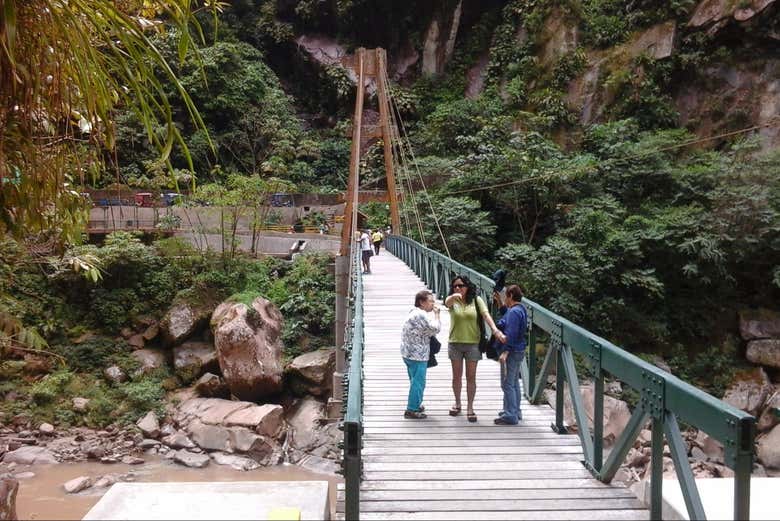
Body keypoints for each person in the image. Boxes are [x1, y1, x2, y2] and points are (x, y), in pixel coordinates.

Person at [445, 275, 505, 423]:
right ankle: (457, 403)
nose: (458, 288)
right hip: (455, 343)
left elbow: (486, 315)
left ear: (468, 286)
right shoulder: (453, 301)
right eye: (455, 286)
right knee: (456, 377)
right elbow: (447, 303)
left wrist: (495, 330)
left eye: (461, 285)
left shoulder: (477, 300)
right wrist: (454, 296)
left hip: (473, 344)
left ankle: (470, 407)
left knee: (471, 377)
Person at [400, 290, 441, 419]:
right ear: (421, 302)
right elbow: (435, 328)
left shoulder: (414, 311)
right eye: (431, 301)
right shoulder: (421, 315)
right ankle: (411, 409)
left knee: (414, 380)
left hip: (409, 352)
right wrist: (437, 315)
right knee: (418, 382)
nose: (433, 303)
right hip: (417, 354)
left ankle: (415, 403)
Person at [494, 284, 527, 425]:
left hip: (512, 351)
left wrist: (505, 352)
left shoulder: (514, 312)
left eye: (506, 296)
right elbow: (507, 316)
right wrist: (500, 303)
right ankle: (514, 410)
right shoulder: (520, 309)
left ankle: (510, 415)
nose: (505, 299)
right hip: (519, 349)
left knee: (507, 383)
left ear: (511, 296)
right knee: (513, 382)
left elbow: (511, 333)